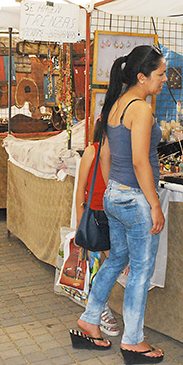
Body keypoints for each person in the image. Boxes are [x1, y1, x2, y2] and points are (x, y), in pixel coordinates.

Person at [70, 44, 167, 365]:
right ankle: (133, 341)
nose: (164, 79)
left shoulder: (116, 104)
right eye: (160, 74)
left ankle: (89, 318)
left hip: (115, 195)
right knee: (140, 271)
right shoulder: (140, 108)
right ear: (142, 77)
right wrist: (153, 204)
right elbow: (140, 161)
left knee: (116, 262)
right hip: (135, 200)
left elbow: (107, 155)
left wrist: (116, 188)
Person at [74, 120, 120, 338]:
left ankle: (97, 306)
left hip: (113, 216)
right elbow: (80, 188)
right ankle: (98, 309)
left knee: (111, 262)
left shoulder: (119, 154)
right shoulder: (92, 152)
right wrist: (80, 223)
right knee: (96, 264)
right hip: (94, 215)